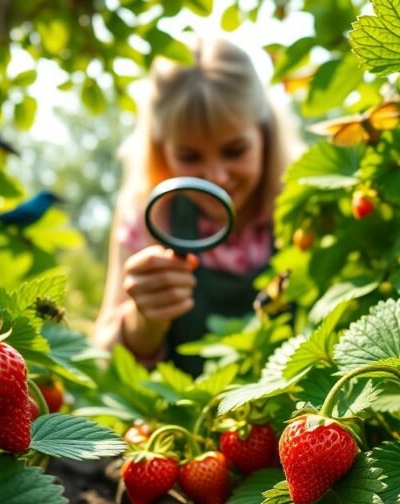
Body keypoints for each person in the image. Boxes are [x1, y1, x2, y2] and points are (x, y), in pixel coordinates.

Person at [94, 37, 294, 376]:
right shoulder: (150, 220)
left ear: (265, 135)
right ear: (161, 150)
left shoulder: (306, 210)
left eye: (234, 151)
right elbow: (99, 360)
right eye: (189, 157)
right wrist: (143, 321)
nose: (215, 177)